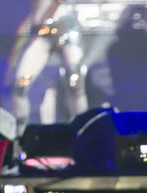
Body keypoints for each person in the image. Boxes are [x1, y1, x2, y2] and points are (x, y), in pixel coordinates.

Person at [11, 0, 89, 142]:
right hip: (40, 28)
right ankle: (18, 139)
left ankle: (85, 134)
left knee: (74, 83)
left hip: (64, 24)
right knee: (20, 86)